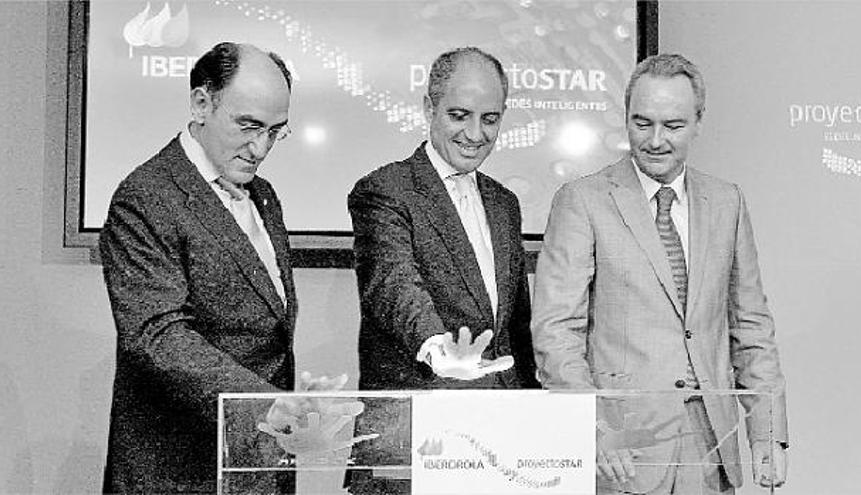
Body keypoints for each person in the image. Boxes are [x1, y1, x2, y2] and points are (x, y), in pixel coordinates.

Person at [531, 53, 789, 494]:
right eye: (642, 123)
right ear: (626, 118)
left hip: (712, 443)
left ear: (698, 122)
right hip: (622, 450)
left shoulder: (727, 202)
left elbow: (751, 325)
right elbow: (556, 332)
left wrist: (767, 431)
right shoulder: (583, 200)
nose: (655, 140)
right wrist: (593, 427)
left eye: (673, 126)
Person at [100, 42, 301, 493]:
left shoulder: (264, 196)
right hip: (180, 472)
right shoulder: (146, 196)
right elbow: (157, 335)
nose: (261, 146)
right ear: (201, 103)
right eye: (248, 126)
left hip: (256, 468)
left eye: (275, 131)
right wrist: (265, 404)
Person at [345, 47, 539, 492]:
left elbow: (514, 326)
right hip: (415, 440)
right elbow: (392, 284)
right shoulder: (384, 191)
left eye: (490, 119)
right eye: (459, 115)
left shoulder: (504, 202)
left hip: (499, 439)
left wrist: (537, 412)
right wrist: (437, 345)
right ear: (429, 107)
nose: (475, 133)